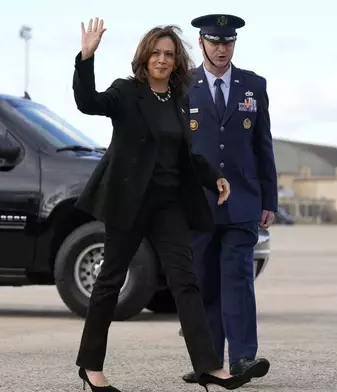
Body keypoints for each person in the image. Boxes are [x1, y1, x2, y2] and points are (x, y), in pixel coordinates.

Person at [70, 17, 262, 392]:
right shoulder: (127, 92)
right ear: (145, 57)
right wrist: (86, 58)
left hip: (168, 204)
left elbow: (185, 152)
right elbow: (87, 102)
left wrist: (213, 177)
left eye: (169, 54)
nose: (162, 59)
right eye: (156, 53)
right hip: (129, 201)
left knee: (185, 281)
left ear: (177, 61)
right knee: (110, 281)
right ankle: (91, 367)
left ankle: (208, 365)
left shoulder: (178, 98)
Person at [179, 14, 278, 384]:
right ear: (201, 43)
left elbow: (263, 145)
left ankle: (242, 359)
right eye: (215, 42)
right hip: (197, 203)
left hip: (243, 203)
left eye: (228, 43)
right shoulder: (182, 84)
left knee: (238, 279)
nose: (222, 49)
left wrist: (269, 197)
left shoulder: (253, 85)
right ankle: (207, 362)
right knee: (204, 282)